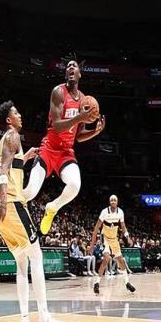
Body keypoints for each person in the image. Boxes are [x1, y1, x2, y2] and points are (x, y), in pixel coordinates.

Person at [0, 100, 65, 322]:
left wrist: (26, 157)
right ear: (9, 120)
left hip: (3, 208)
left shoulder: (7, 141)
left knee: (22, 264)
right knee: (37, 256)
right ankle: (44, 319)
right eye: (16, 112)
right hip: (11, 203)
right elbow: (3, 170)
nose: (20, 115)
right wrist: (4, 202)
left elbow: (10, 166)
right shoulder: (12, 135)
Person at [23, 60, 105, 234]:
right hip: (48, 148)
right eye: (68, 66)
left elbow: (78, 136)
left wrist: (94, 132)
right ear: (66, 74)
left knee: (75, 185)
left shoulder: (84, 100)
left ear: (79, 74)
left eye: (74, 66)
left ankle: (52, 207)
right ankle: (3, 210)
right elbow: (57, 126)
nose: (71, 67)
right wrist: (80, 117)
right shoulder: (58, 92)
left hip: (66, 152)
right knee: (30, 192)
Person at [89, 195, 136, 295]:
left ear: (117, 202)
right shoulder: (104, 212)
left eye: (115, 200)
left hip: (114, 239)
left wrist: (128, 238)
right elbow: (97, 227)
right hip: (105, 238)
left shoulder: (120, 212)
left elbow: (123, 227)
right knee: (106, 259)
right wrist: (92, 244)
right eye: (112, 200)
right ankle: (97, 283)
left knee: (121, 261)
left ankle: (127, 283)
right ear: (109, 202)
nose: (113, 201)